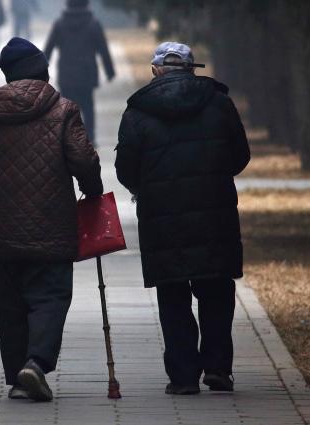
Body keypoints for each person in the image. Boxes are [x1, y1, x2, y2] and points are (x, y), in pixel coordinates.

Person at [0, 37, 103, 402]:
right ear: (43, 69)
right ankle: (35, 365)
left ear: (7, 75)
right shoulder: (65, 109)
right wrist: (93, 192)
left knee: (10, 304)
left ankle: (20, 378)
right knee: (50, 297)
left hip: (2, 229)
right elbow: (83, 159)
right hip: (53, 225)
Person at [115, 42, 251, 395]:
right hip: (215, 213)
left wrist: (146, 187)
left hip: (162, 219)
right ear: (192, 69)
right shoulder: (219, 104)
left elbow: (125, 168)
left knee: (173, 297)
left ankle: (184, 376)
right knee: (217, 292)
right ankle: (219, 368)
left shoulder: (138, 111)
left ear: (156, 70)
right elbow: (240, 155)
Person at [44, 0, 115, 146]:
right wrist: (110, 71)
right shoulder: (93, 24)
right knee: (88, 106)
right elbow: (103, 49)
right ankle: (90, 138)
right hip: (86, 73)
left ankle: (67, 138)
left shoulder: (59, 24)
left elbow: (48, 49)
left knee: (66, 108)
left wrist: (40, 70)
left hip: (66, 74)